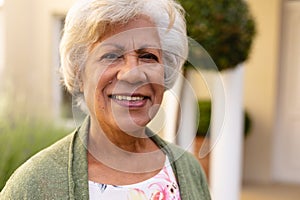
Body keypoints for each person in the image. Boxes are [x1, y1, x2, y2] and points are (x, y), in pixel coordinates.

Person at [0, 0, 211, 199]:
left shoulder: (189, 170)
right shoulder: (33, 186)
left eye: (147, 56)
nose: (133, 74)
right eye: (111, 55)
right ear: (80, 74)